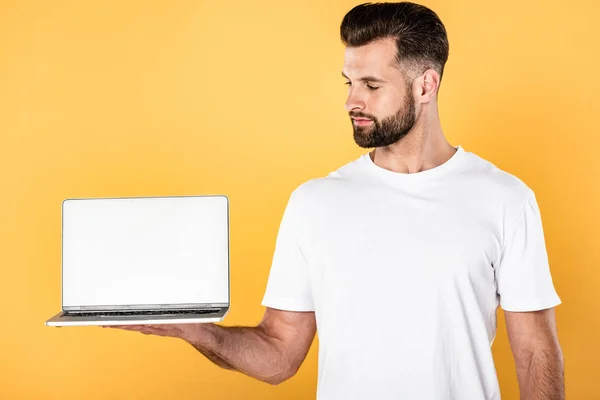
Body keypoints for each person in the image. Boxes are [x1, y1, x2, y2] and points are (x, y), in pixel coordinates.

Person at [111, 2, 564, 399]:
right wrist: (198, 332)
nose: (351, 100)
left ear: (426, 86)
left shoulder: (505, 199)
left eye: (371, 85)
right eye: (348, 82)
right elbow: (280, 354)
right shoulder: (315, 203)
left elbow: (535, 354)